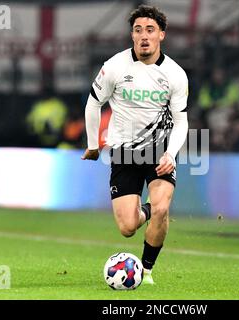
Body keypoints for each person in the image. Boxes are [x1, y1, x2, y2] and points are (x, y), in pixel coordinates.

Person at [81, 5, 189, 284]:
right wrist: (94, 144)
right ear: (132, 35)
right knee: (128, 227)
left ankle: (147, 270)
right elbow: (94, 103)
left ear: (161, 35)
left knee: (162, 206)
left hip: (158, 152)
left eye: (150, 30)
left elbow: (181, 121)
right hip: (124, 152)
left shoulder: (175, 74)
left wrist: (171, 154)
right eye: (138, 30)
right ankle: (152, 211)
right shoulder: (115, 66)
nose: (144, 36)